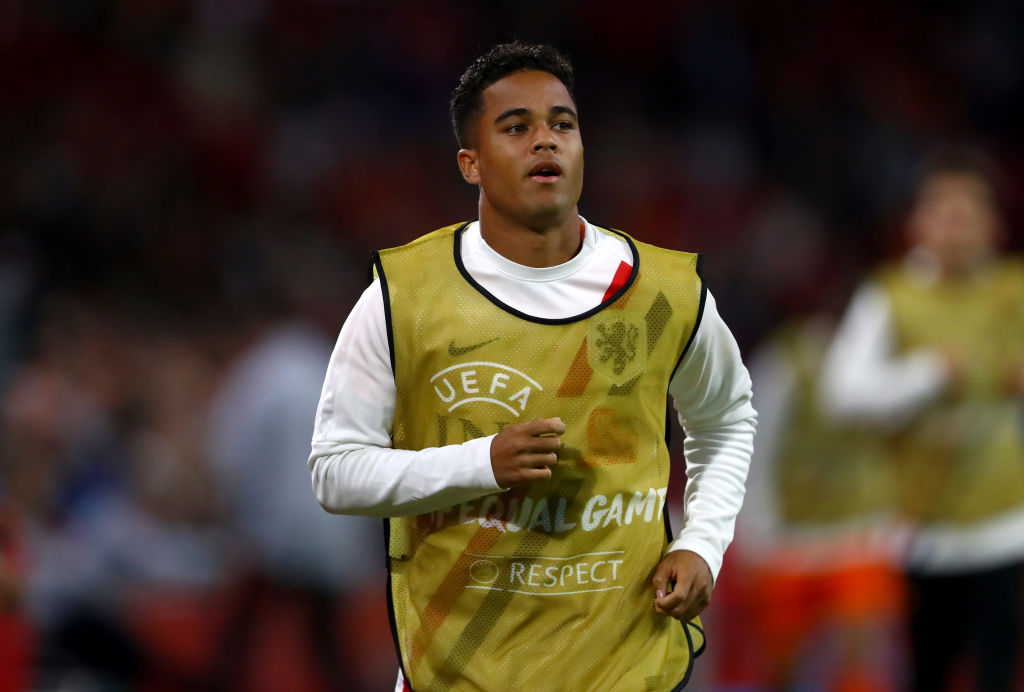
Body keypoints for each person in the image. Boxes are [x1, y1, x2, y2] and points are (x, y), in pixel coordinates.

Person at [309, 42, 756, 691]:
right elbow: (334, 471)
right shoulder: (404, 297)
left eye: (562, 124)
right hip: (460, 670)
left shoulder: (663, 292)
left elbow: (726, 421)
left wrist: (701, 543)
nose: (545, 141)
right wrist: (480, 465)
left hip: (624, 666)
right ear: (471, 163)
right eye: (517, 127)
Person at [820, 146, 1024, 692]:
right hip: (921, 532)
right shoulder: (890, 296)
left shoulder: (1015, 289)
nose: (956, 225)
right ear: (916, 223)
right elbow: (841, 396)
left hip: (1008, 527)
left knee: (998, 676)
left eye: (969, 212)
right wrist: (928, 374)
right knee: (924, 674)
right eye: (943, 210)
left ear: (995, 224)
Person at [736, 315, 904, 692]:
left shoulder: (886, 364)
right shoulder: (782, 365)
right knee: (783, 662)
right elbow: (754, 446)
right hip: (790, 543)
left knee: (860, 658)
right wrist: (755, 531)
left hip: (861, 537)